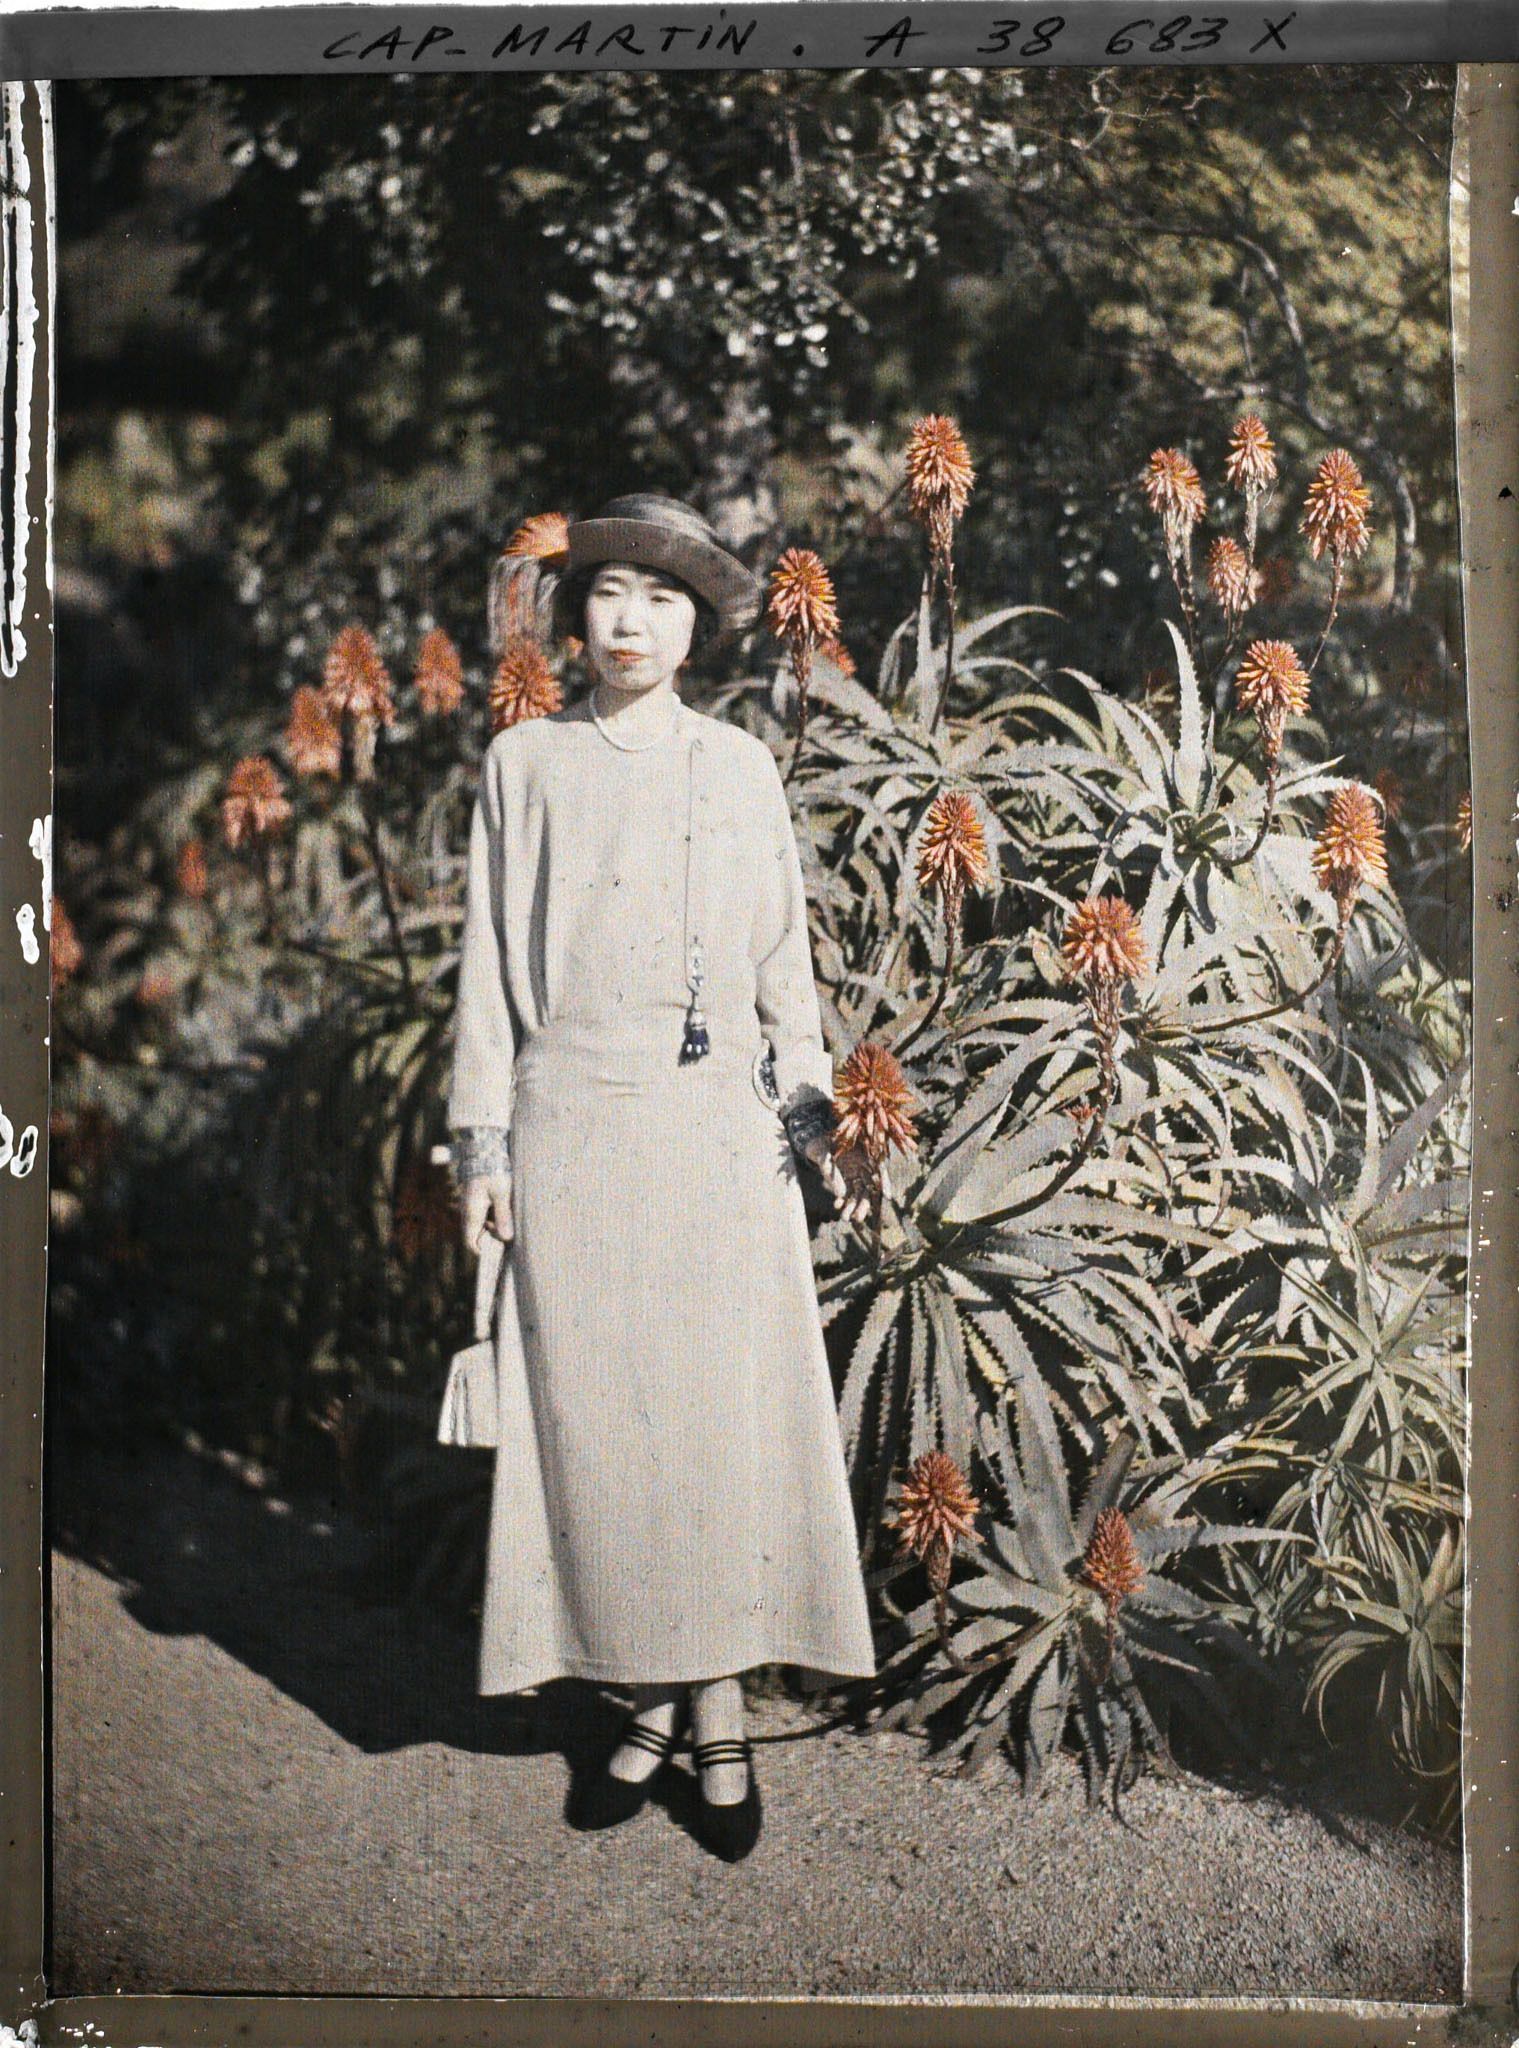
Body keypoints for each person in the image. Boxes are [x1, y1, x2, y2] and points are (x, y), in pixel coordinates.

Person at [447, 492, 876, 1861]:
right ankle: (667, 1704)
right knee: (611, 1437)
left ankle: (707, 1714)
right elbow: (485, 986)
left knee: (708, 1428)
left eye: (664, 601)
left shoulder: (740, 768)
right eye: (612, 595)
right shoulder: (524, 768)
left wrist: (811, 1122)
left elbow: (781, 969)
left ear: (698, 626)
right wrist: (486, 1150)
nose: (633, 623)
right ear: (577, 617)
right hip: (574, 1128)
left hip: (717, 1130)